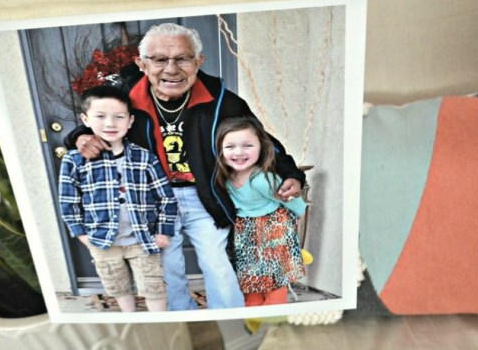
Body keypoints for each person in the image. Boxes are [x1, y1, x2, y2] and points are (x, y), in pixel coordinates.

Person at [68, 22, 305, 310]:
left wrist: (291, 174)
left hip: (203, 195)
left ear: (198, 61)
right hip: (154, 201)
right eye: (159, 59)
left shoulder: (221, 101)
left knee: (217, 264)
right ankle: (183, 318)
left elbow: (262, 141)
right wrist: (79, 137)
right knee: (167, 269)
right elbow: (98, 123)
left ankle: (228, 319)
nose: (171, 69)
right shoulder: (126, 99)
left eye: (182, 58)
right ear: (142, 64)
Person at [58, 85, 177, 312]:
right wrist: (81, 235)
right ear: (85, 119)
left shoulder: (144, 157)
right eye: (100, 116)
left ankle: (159, 321)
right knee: (118, 287)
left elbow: (165, 198)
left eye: (119, 117)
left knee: (154, 287)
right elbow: (68, 201)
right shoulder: (74, 160)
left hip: (142, 240)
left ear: (130, 121)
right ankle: (130, 316)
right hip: (102, 241)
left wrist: (163, 231)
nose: (110, 124)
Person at [215, 116, 307, 306]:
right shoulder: (224, 178)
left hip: (273, 232)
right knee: (250, 280)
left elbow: (296, 204)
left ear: (261, 147)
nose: (239, 152)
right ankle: (253, 312)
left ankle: (273, 314)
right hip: (247, 233)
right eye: (230, 147)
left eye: (248, 145)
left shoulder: (263, 180)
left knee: (274, 280)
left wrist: (293, 223)